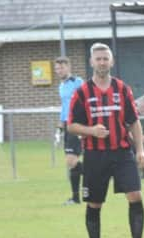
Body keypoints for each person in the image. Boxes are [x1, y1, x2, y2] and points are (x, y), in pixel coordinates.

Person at [67, 43, 144, 238]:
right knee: (95, 203)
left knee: (135, 195)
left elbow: (133, 121)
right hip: (95, 155)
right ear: (91, 62)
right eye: (98, 59)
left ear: (112, 61)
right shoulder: (81, 92)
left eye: (106, 58)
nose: (102, 62)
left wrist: (140, 150)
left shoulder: (122, 89)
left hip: (122, 152)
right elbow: (71, 126)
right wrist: (91, 131)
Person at [54, 56, 84, 205]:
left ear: (68, 67)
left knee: (71, 161)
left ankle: (76, 197)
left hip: (76, 124)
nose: (59, 71)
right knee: (71, 162)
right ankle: (76, 198)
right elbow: (64, 108)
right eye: (57, 69)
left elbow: (86, 103)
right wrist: (59, 128)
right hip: (67, 124)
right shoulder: (61, 86)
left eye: (61, 68)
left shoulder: (78, 83)